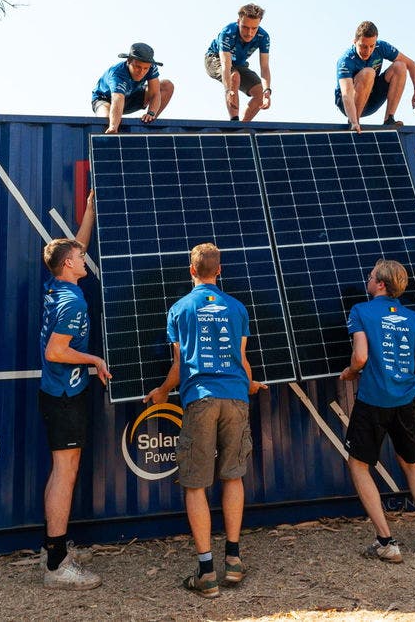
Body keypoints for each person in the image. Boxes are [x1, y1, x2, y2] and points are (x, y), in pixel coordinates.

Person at [145, 243, 268, 598]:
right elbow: (241, 361)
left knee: (196, 484)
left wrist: (161, 391)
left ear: (191, 271)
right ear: (220, 271)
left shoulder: (180, 309)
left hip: (200, 399)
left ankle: (206, 572)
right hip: (235, 397)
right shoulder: (237, 308)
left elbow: (179, 366)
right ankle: (233, 560)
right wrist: (251, 383)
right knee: (232, 476)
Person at [339, 259, 415, 562]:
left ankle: (386, 542)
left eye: (371, 276)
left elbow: (360, 357)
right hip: (405, 401)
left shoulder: (360, 311)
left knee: (359, 465)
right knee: (411, 464)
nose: (368, 279)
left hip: (373, 401)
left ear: (381, 284)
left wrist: (349, 372)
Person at [38, 192, 113, 589]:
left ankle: (54, 549)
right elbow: (57, 350)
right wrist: (95, 361)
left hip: (57, 394)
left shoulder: (56, 285)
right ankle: (56, 565)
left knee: (61, 470)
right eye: (80, 257)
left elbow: (76, 245)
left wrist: (89, 211)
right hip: (66, 397)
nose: (85, 258)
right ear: (69, 265)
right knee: (65, 473)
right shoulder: (73, 304)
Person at [335, 21, 415, 132]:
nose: (368, 51)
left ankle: (389, 120)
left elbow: (411, 65)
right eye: (363, 46)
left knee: (400, 66)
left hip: (371, 100)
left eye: (371, 46)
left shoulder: (381, 47)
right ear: (354, 42)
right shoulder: (346, 60)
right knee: (369, 72)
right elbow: (346, 94)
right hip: (348, 104)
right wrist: (353, 122)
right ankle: (355, 121)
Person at [204, 3, 272, 123]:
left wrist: (267, 92)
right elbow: (226, 64)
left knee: (259, 92)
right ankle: (234, 122)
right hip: (215, 58)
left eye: (254, 29)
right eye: (245, 27)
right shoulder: (228, 33)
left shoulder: (263, 37)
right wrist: (228, 90)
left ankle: (241, 129)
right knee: (234, 77)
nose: (249, 33)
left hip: (238, 63)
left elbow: (265, 67)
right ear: (238, 21)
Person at [91, 43, 174, 133]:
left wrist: (151, 113)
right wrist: (113, 127)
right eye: (138, 67)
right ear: (129, 61)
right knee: (106, 121)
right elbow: (117, 99)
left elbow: (155, 93)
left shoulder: (151, 67)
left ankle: (150, 121)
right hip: (107, 100)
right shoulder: (117, 74)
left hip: (132, 96)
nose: (141, 72)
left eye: (145, 68)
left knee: (167, 85)